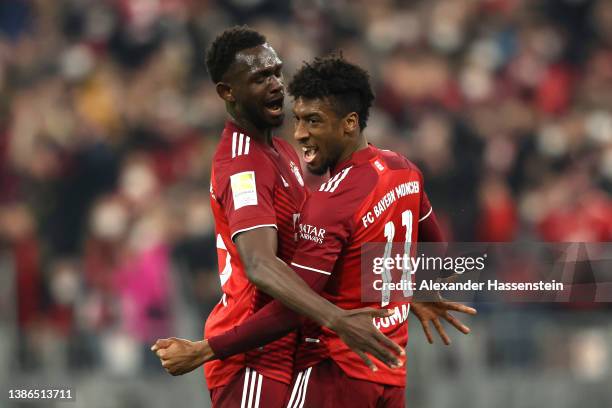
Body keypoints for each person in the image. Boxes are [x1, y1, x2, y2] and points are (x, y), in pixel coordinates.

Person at [154, 49, 476, 407]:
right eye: (298, 120)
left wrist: (205, 350)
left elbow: (291, 308)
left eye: (314, 121)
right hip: (390, 380)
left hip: (332, 373)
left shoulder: (331, 202)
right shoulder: (402, 169)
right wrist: (407, 289)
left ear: (349, 123)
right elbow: (440, 254)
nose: (300, 134)